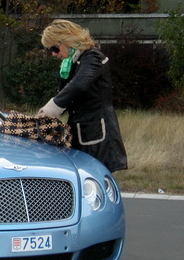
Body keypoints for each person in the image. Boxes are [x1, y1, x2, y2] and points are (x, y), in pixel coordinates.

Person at [37, 19, 127, 172]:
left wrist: (50, 109)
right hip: (81, 130)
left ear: (66, 41)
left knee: (97, 178)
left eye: (54, 48)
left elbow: (78, 85)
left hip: (97, 133)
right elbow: (67, 92)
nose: (53, 54)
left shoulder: (93, 57)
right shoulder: (73, 63)